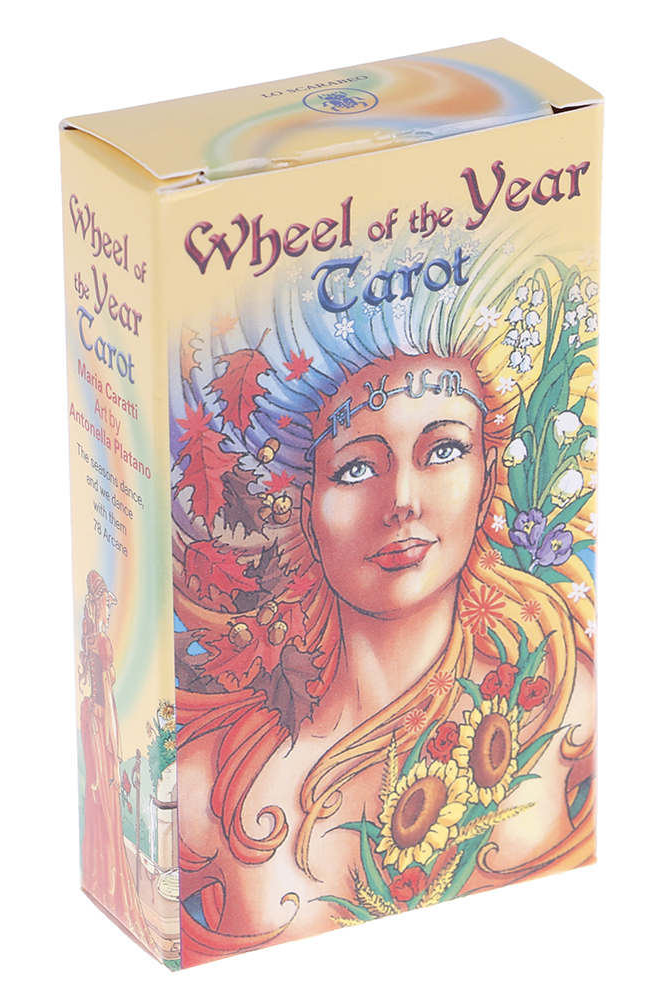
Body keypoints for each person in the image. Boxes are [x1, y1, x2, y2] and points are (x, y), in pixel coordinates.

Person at [171, 247, 597, 963]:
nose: (401, 501)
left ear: (489, 471)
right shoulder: (207, 792)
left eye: (443, 451)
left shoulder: (560, 699)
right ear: (305, 507)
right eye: (357, 467)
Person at [78, 571, 155, 951]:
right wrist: (115, 743)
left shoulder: (90, 640)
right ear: (98, 606)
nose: (109, 613)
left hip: (89, 722)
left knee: (100, 799)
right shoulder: (103, 643)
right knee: (106, 795)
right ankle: (109, 877)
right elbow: (107, 699)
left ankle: (99, 872)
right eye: (107, 606)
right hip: (100, 726)